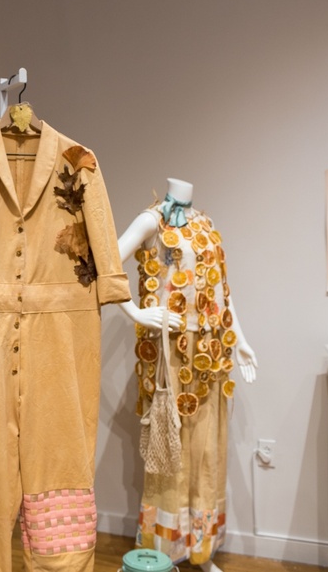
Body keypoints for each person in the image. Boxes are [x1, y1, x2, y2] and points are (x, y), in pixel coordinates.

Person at [117, 178, 257, 572]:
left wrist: (239, 339)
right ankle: (165, 550)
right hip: (170, 352)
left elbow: (222, 293)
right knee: (170, 449)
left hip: (210, 353)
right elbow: (105, 264)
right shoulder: (152, 221)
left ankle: (200, 549)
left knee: (206, 450)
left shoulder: (204, 223)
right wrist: (136, 312)